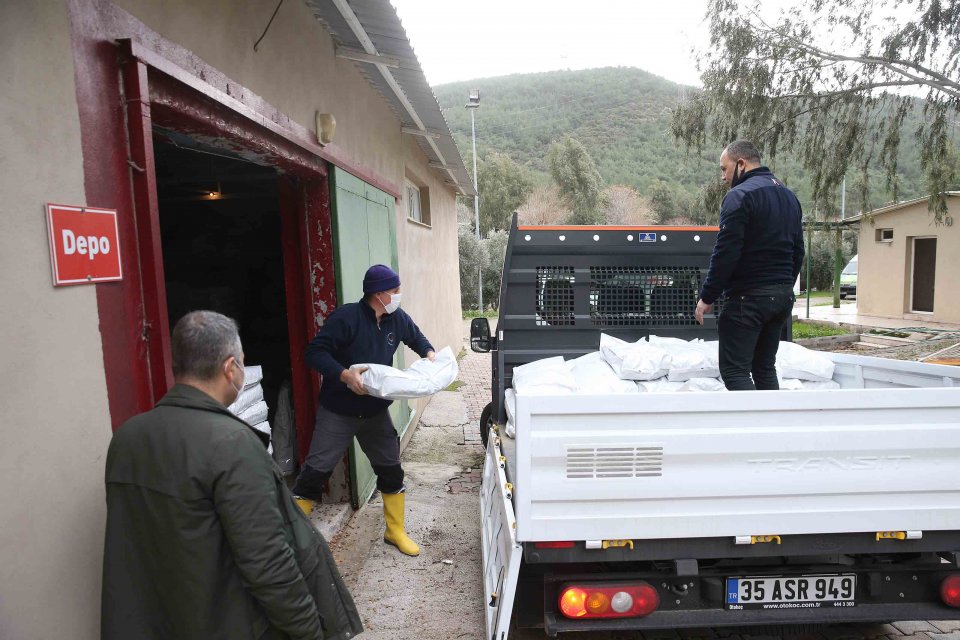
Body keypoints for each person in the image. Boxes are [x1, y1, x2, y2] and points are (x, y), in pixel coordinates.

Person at [101, 311, 362, 640]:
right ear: (230, 368)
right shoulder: (231, 444)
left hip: (165, 619)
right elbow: (268, 563)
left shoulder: (127, 437)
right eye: (241, 362)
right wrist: (310, 631)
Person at [293, 264, 435, 557]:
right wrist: (344, 375)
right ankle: (289, 538)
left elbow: (417, 339)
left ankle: (394, 531)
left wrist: (430, 356)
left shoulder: (396, 318)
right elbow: (314, 352)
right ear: (379, 293)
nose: (399, 295)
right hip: (339, 411)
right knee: (314, 473)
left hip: (375, 413)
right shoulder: (346, 318)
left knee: (391, 470)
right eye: (395, 290)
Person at [694, 140, 804, 390]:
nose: (723, 177)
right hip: (781, 298)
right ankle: (774, 426)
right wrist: (783, 285)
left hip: (748, 300)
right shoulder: (789, 197)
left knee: (734, 371)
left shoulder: (739, 196)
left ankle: (753, 427)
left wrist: (706, 297)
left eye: (725, 169)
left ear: (741, 164)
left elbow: (726, 253)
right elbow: (799, 251)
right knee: (764, 368)